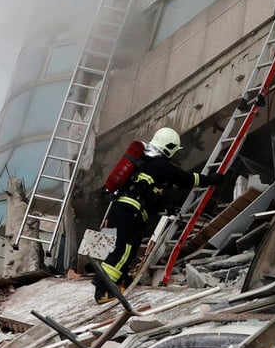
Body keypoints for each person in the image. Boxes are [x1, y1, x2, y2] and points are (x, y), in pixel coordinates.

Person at [94, 127, 224, 303]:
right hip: (131, 210)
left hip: (124, 208)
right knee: (125, 249)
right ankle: (103, 290)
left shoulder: (146, 163)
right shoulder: (160, 165)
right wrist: (211, 179)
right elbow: (185, 179)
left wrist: (167, 208)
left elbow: (150, 193)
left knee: (130, 247)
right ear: (169, 147)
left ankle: (121, 280)